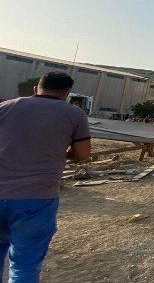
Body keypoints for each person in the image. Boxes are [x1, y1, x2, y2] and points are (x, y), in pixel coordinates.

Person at [0, 72, 91, 282]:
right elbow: (83, 154)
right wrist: (62, 152)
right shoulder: (74, 114)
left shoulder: (6, 107)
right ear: (66, 94)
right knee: (25, 267)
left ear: (35, 89)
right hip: (36, 199)